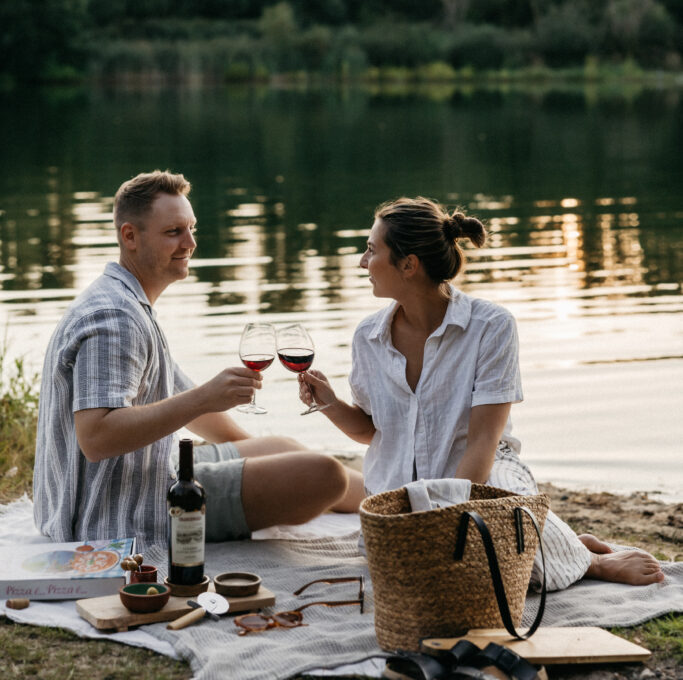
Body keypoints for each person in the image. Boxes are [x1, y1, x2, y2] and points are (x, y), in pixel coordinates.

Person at [299, 196, 665, 590]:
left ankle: (589, 559)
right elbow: (375, 431)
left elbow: (484, 440)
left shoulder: (491, 327)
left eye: (372, 250)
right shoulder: (367, 337)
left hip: (483, 474)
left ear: (409, 264)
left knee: (501, 568)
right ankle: (567, 545)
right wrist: (330, 403)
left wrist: (450, 521)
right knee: (427, 575)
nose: (361, 262)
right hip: (399, 495)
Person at [33, 170, 363, 546]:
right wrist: (205, 396)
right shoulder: (115, 319)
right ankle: (389, 504)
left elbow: (189, 403)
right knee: (325, 476)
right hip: (118, 510)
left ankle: (390, 502)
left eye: (191, 228)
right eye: (174, 232)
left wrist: (248, 460)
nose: (190, 243)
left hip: (149, 470)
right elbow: (96, 437)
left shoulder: (129, 301)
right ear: (130, 236)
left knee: (279, 447)